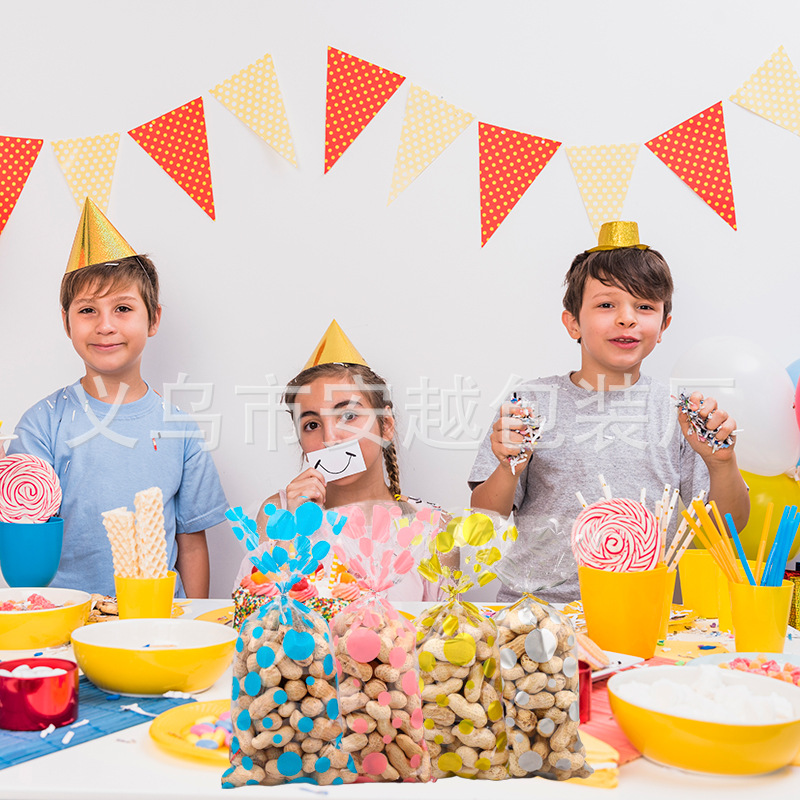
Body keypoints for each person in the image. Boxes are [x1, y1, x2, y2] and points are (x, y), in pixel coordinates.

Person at [469, 221, 749, 604]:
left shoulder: (681, 411)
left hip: (645, 610)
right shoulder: (531, 402)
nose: (627, 318)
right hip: (539, 610)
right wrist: (507, 467)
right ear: (573, 323)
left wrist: (722, 463)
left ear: (663, 325)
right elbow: (486, 518)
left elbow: (726, 529)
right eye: (606, 304)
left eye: (645, 306)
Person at [7, 199, 227, 598]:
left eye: (122, 308)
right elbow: (23, 528)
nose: (105, 326)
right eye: (88, 310)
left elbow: (191, 542)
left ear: (154, 319)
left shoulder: (180, 428)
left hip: (159, 620)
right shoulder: (42, 423)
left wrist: (195, 625)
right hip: (66, 618)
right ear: (66, 322)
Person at [233, 320, 446, 601]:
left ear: (386, 426)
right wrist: (291, 532)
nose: (330, 438)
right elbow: (256, 624)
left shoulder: (430, 525)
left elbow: (444, 633)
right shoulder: (278, 512)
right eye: (311, 424)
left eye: (348, 416)